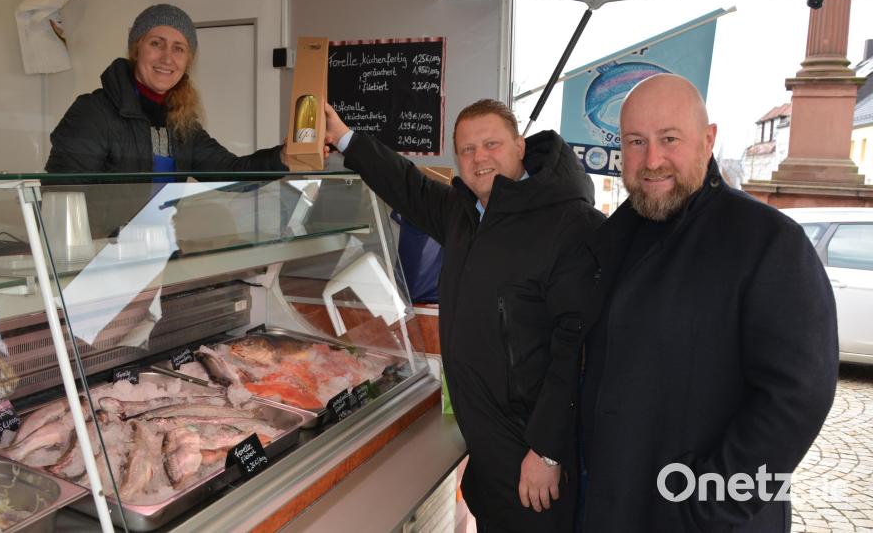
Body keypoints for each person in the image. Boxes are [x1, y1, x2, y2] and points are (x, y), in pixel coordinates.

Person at [325, 100, 604, 531]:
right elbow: (407, 185)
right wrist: (346, 137)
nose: (479, 158)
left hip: (531, 446)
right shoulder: (465, 212)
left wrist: (547, 452)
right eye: (468, 149)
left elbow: (575, 349)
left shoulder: (567, 221)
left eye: (491, 144)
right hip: (485, 440)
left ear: (519, 145)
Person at [578, 74, 838, 532]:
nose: (652, 159)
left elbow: (797, 397)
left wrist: (709, 507)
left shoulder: (768, 242)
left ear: (708, 140)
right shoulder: (615, 236)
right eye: (636, 141)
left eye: (669, 139)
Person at [45, 4, 288, 236]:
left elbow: (231, 174)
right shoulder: (93, 112)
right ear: (136, 49)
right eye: (156, 44)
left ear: (187, 61)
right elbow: (62, 197)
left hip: (154, 254)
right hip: (99, 260)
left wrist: (286, 156)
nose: (167, 58)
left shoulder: (182, 124)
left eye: (178, 48)